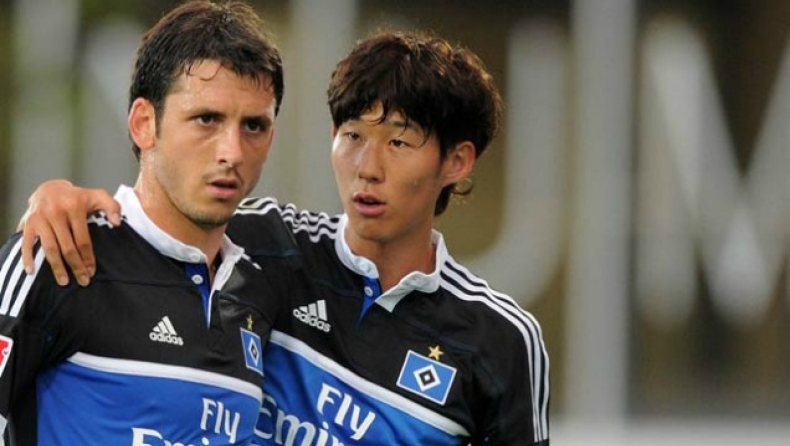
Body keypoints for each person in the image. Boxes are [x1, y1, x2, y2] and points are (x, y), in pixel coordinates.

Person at [19, 30, 550, 445]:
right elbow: (160, 220)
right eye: (353, 136)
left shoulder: (501, 339)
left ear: (456, 161)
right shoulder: (265, 246)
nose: (368, 167)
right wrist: (57, 195)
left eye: (399, 142)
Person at [0, 1, 286, 444]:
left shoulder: (265, 285)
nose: (232, 152)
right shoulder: (59, 253)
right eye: (206, 119)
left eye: (254, 126)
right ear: (143, 123)